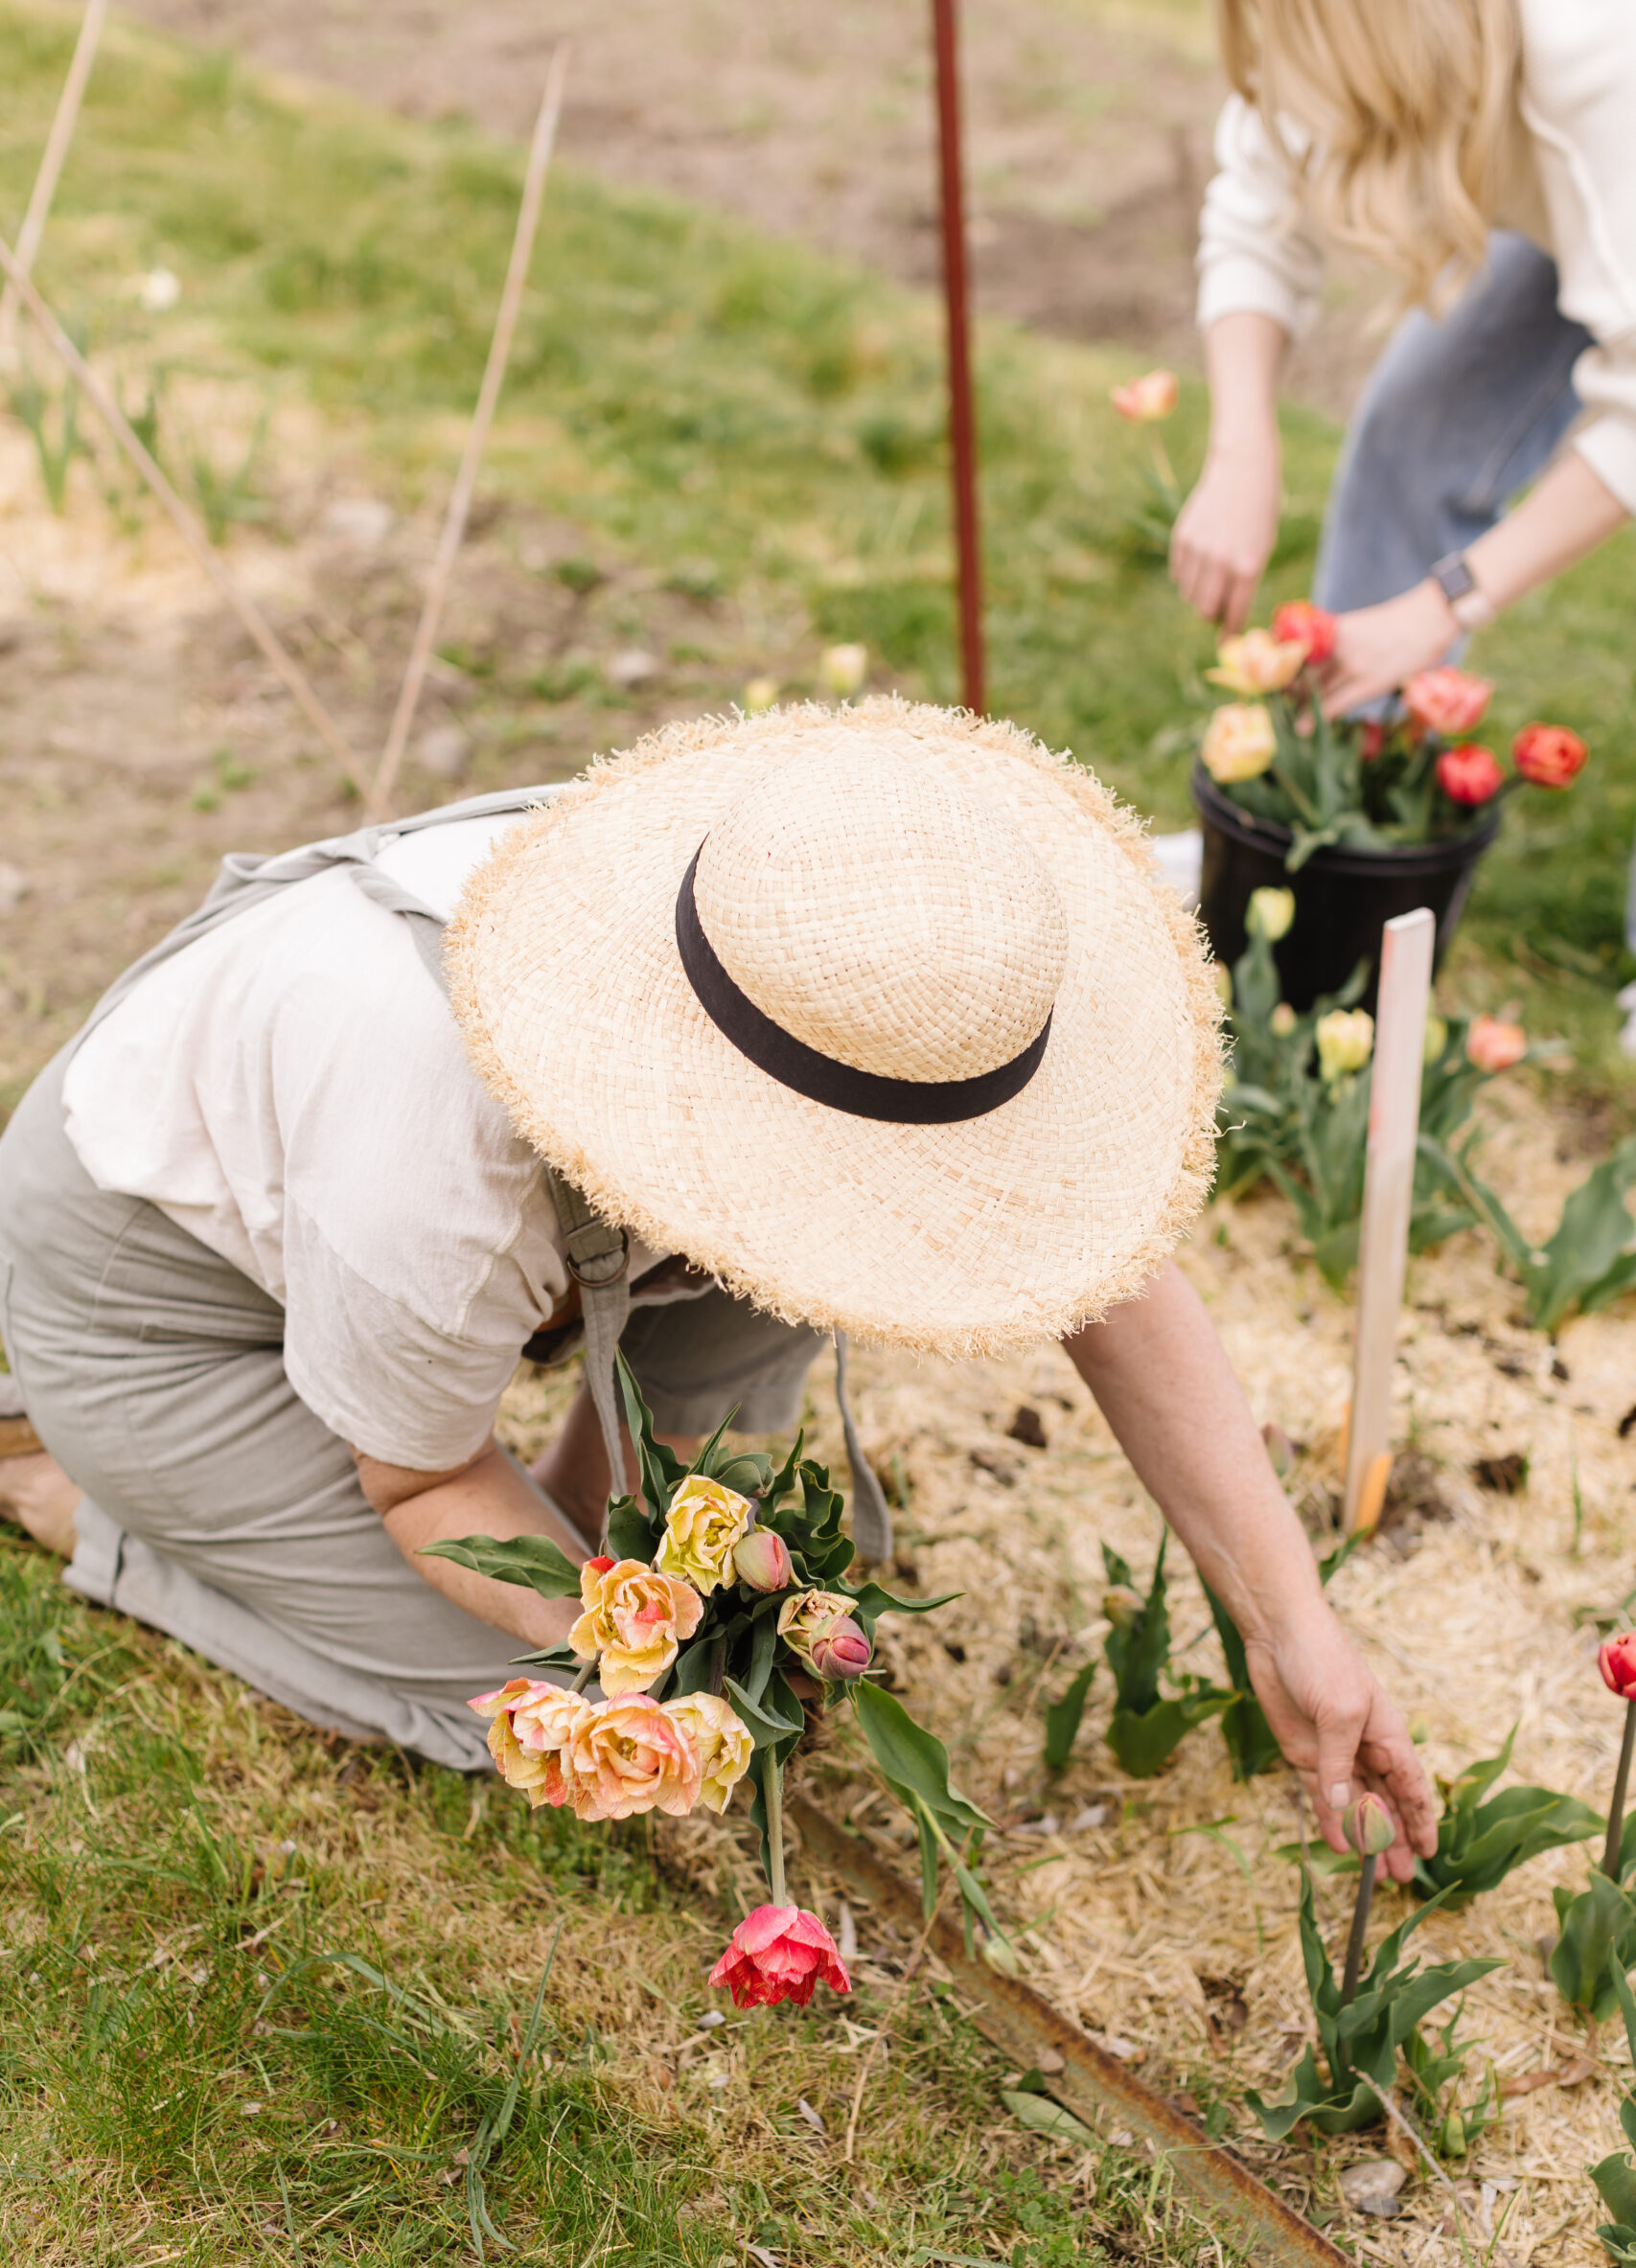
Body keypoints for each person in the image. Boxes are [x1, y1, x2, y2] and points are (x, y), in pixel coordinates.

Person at [0, 699, 1436, 1871]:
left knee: (794, 1322)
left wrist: (1290, 1627)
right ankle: (76, 1488)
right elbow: (425, 1488)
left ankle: (608, 1506)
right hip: (165, 1310)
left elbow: (1115, 1287)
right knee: (551, 1712)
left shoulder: (841, 946)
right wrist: (655, 1662)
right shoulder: (430, 1153)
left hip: (423, 1240)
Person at [1170, 0, 1636, 1005]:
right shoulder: (1336, 20)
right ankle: (1329, 829)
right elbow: (1256, 201)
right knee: (1417, 427)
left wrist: (1443, 605)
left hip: (1618, 125)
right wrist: (1241, 444)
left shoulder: (1593, 55)